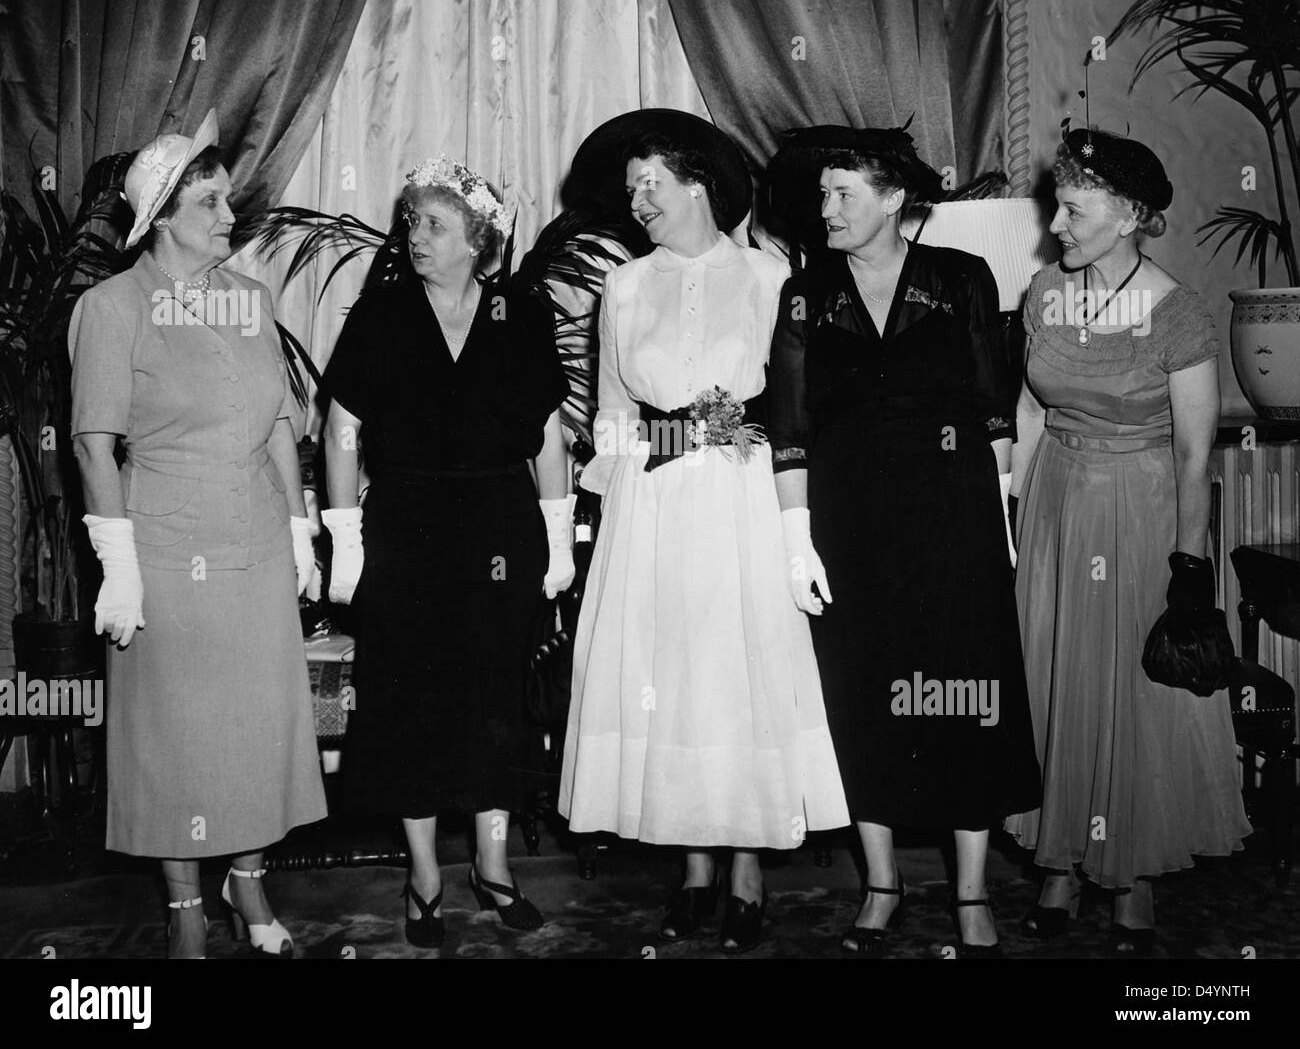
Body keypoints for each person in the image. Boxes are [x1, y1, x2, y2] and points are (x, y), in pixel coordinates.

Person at [558, 110, 849, 955]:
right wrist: (613, 505)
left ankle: (749, 867)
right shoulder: (622, 285)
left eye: (652, 182)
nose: (639, 200)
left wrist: (715, 431)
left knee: (736, 673)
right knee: (672, 675)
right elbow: (615, 411)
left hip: (739, 500)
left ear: (699, 186)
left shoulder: (769, 275)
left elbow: (785, 402)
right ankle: (693, 866)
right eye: (630, 189)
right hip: (651, 504)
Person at [766, 124, 1041, 957]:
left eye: (843, 193)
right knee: (864, 695)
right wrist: (795, 536)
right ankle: (880, 886)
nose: (827, 209)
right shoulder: (805, 294)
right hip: (850, 525)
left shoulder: (960, 279)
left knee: (965, 693)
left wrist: (1001, 519)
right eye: (822, 195)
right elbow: (788, 424)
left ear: (894, 199)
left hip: (952, 513)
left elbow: (996, 411)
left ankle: (970, 893)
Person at [69, 109, 328, 959]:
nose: (229, 216)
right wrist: (119, 569)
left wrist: (300, 534)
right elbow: (93, 444)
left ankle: (248, 883)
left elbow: (282, 429)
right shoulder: (113, 308)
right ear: (163, 217)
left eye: (226, 200)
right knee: (176, 738)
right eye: (210, 202)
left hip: (254, 547)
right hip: (166, 554)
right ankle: (186, 910)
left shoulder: (250, 303)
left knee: (259, 728)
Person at [1006, 128, 1250, 954]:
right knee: (1056, 678)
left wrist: (1188, 566)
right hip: (1054, 506)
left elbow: (1192, 450)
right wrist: (1016, 512)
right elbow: (1034, 408)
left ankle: (1133, 873)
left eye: (1073, 210)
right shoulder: (1044, 293)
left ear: (1130, 215)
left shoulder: (1177, 315)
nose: (1057, 226)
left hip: (1141, 512)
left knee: (1129, 691)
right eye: (1058, 208)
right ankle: (1061, 861)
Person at [321, 156, 573, 947]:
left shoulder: (521, 316)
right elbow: (341, 427)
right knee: (409, 698)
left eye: (433, 224)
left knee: (496, 694)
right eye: (412, 223)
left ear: (478, 239)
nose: (415, 237)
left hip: (500, 523)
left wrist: (558, 538)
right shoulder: (384, 313)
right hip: (407, 522)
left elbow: (548, 436)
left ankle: (492, 869)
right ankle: (425, 874)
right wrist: (346, 542)